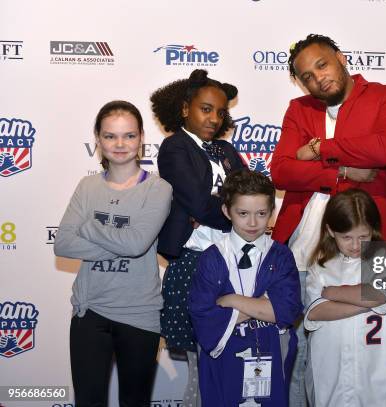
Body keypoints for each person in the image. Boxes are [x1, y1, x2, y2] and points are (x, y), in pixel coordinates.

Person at [270, 33, 386, 406]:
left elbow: (384, 148)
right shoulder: (298, 109)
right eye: (307, 76)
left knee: (368, 358)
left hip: (364, 246)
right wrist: (339, 172)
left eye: (322, 65)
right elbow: (281, 171)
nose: (318, 79)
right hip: (300, 253)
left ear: (341, 58)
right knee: (299, 359)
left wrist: (317, 149)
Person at [54, 100, 172, 406]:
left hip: (139, 314)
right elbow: (64, 243)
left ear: (141, 137)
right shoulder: (87, 186)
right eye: (110, 136)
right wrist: (120, 242)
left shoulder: (158, 189)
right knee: (88, 401)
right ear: (97, 138)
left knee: (135, 402)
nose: (120, 144)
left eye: (129, 136)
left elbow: (137, 245)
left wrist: (90, 226)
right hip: (89, 311)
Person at [150, 69, 246, 406]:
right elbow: (197, 201)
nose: (214, 118)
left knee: (227, 359)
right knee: (200, 364)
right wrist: (237, 212)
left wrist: (231, 209)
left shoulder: (226, 150)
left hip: (234, 260)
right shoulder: (175, 147)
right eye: (206, 109)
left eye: (220, 112)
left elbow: (251, 193)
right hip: (194, 263)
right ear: (185, 109)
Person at [189, 169, 302, 407]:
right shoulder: (212, 257)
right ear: (226, 211)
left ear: (272, 212)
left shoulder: (281, 255)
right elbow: (203, 315)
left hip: (271, 350)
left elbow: (286, 310)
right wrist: (262, 305)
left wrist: (230, 299)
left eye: (261, 213)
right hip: (224, 354)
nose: (252, 223)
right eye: (243, 213)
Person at [304, 188, 386, 407]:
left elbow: (378, 294)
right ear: (330, 230)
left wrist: (332, 293)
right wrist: (365, 300)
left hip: (373, 368)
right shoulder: (320, 264)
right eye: (346, 237)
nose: (356, 245)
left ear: (373, 230)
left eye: (363, 237)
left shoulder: (385, 257)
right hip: (330, 368)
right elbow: (317, 311)